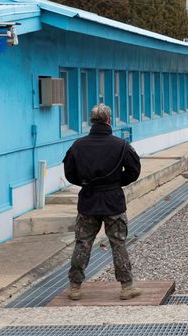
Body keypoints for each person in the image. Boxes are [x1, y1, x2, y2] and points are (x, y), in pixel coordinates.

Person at [63, 104, 143, 301]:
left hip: (88, 201)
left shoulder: (78, 146)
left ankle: (75, 287)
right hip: (113, 201)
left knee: (82, 243)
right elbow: (134, 171)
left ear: (92, 121)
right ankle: (126, 287)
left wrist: (86, 183)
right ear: (109, 120)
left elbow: (69, 174)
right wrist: (116, 183)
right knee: (118, 243)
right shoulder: (121, 145)